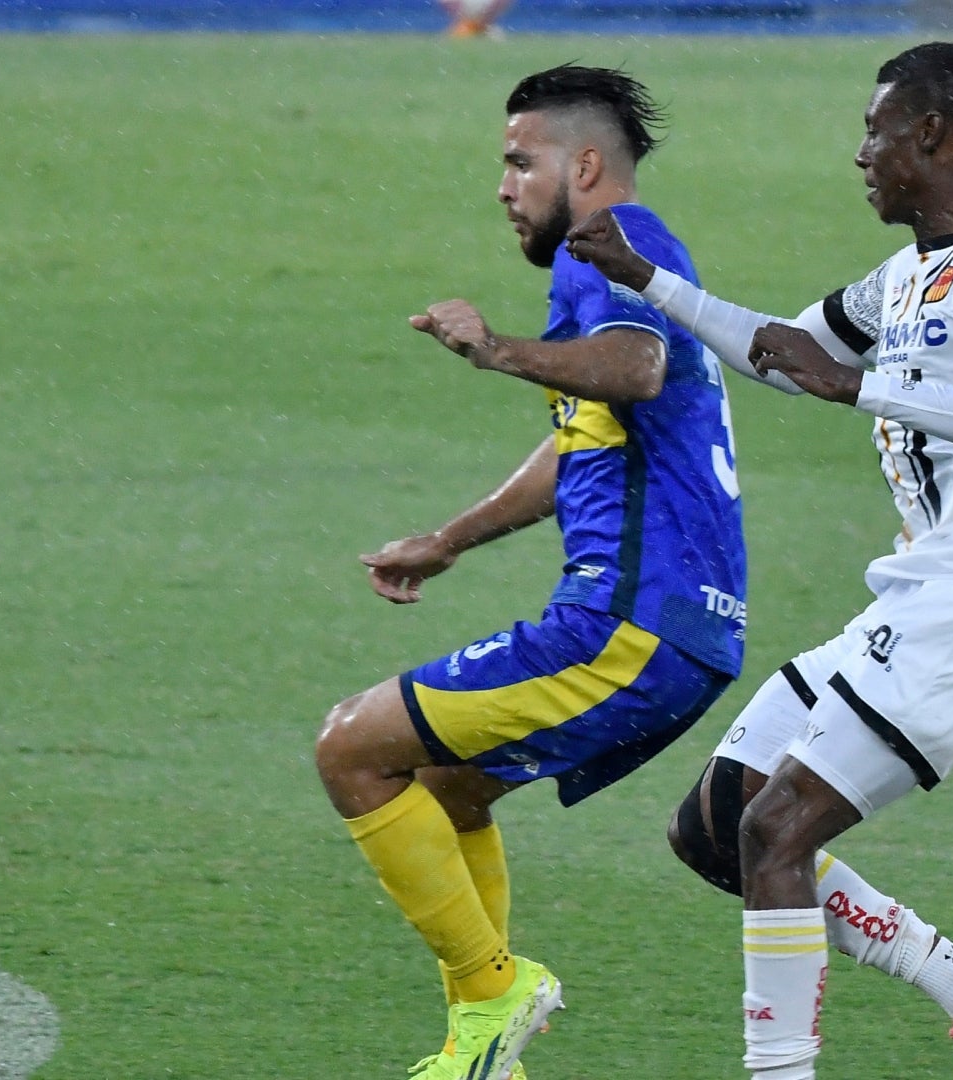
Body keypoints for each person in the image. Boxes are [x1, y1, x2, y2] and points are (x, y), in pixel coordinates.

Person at [566, 41, 953, 1080]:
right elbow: (783, 353)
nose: (862, 153)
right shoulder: (904, 276)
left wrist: (860, 390)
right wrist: (653, 283)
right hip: (927, 585)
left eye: (876, 129)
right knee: (719, 827)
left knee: (778, 824)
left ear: (933, 136)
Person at [315, 63, 748, 1080]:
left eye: (521, 162)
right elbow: (586, 440)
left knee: (350, 751)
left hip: (628, 628)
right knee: (449, 784)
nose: (504, 186)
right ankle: (485, 1049)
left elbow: (634, 369)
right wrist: (452, 538)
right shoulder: (631, 258)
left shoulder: (617, 244)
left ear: (584, 165)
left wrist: (495, 350)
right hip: (677, 632)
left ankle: (491, 998)